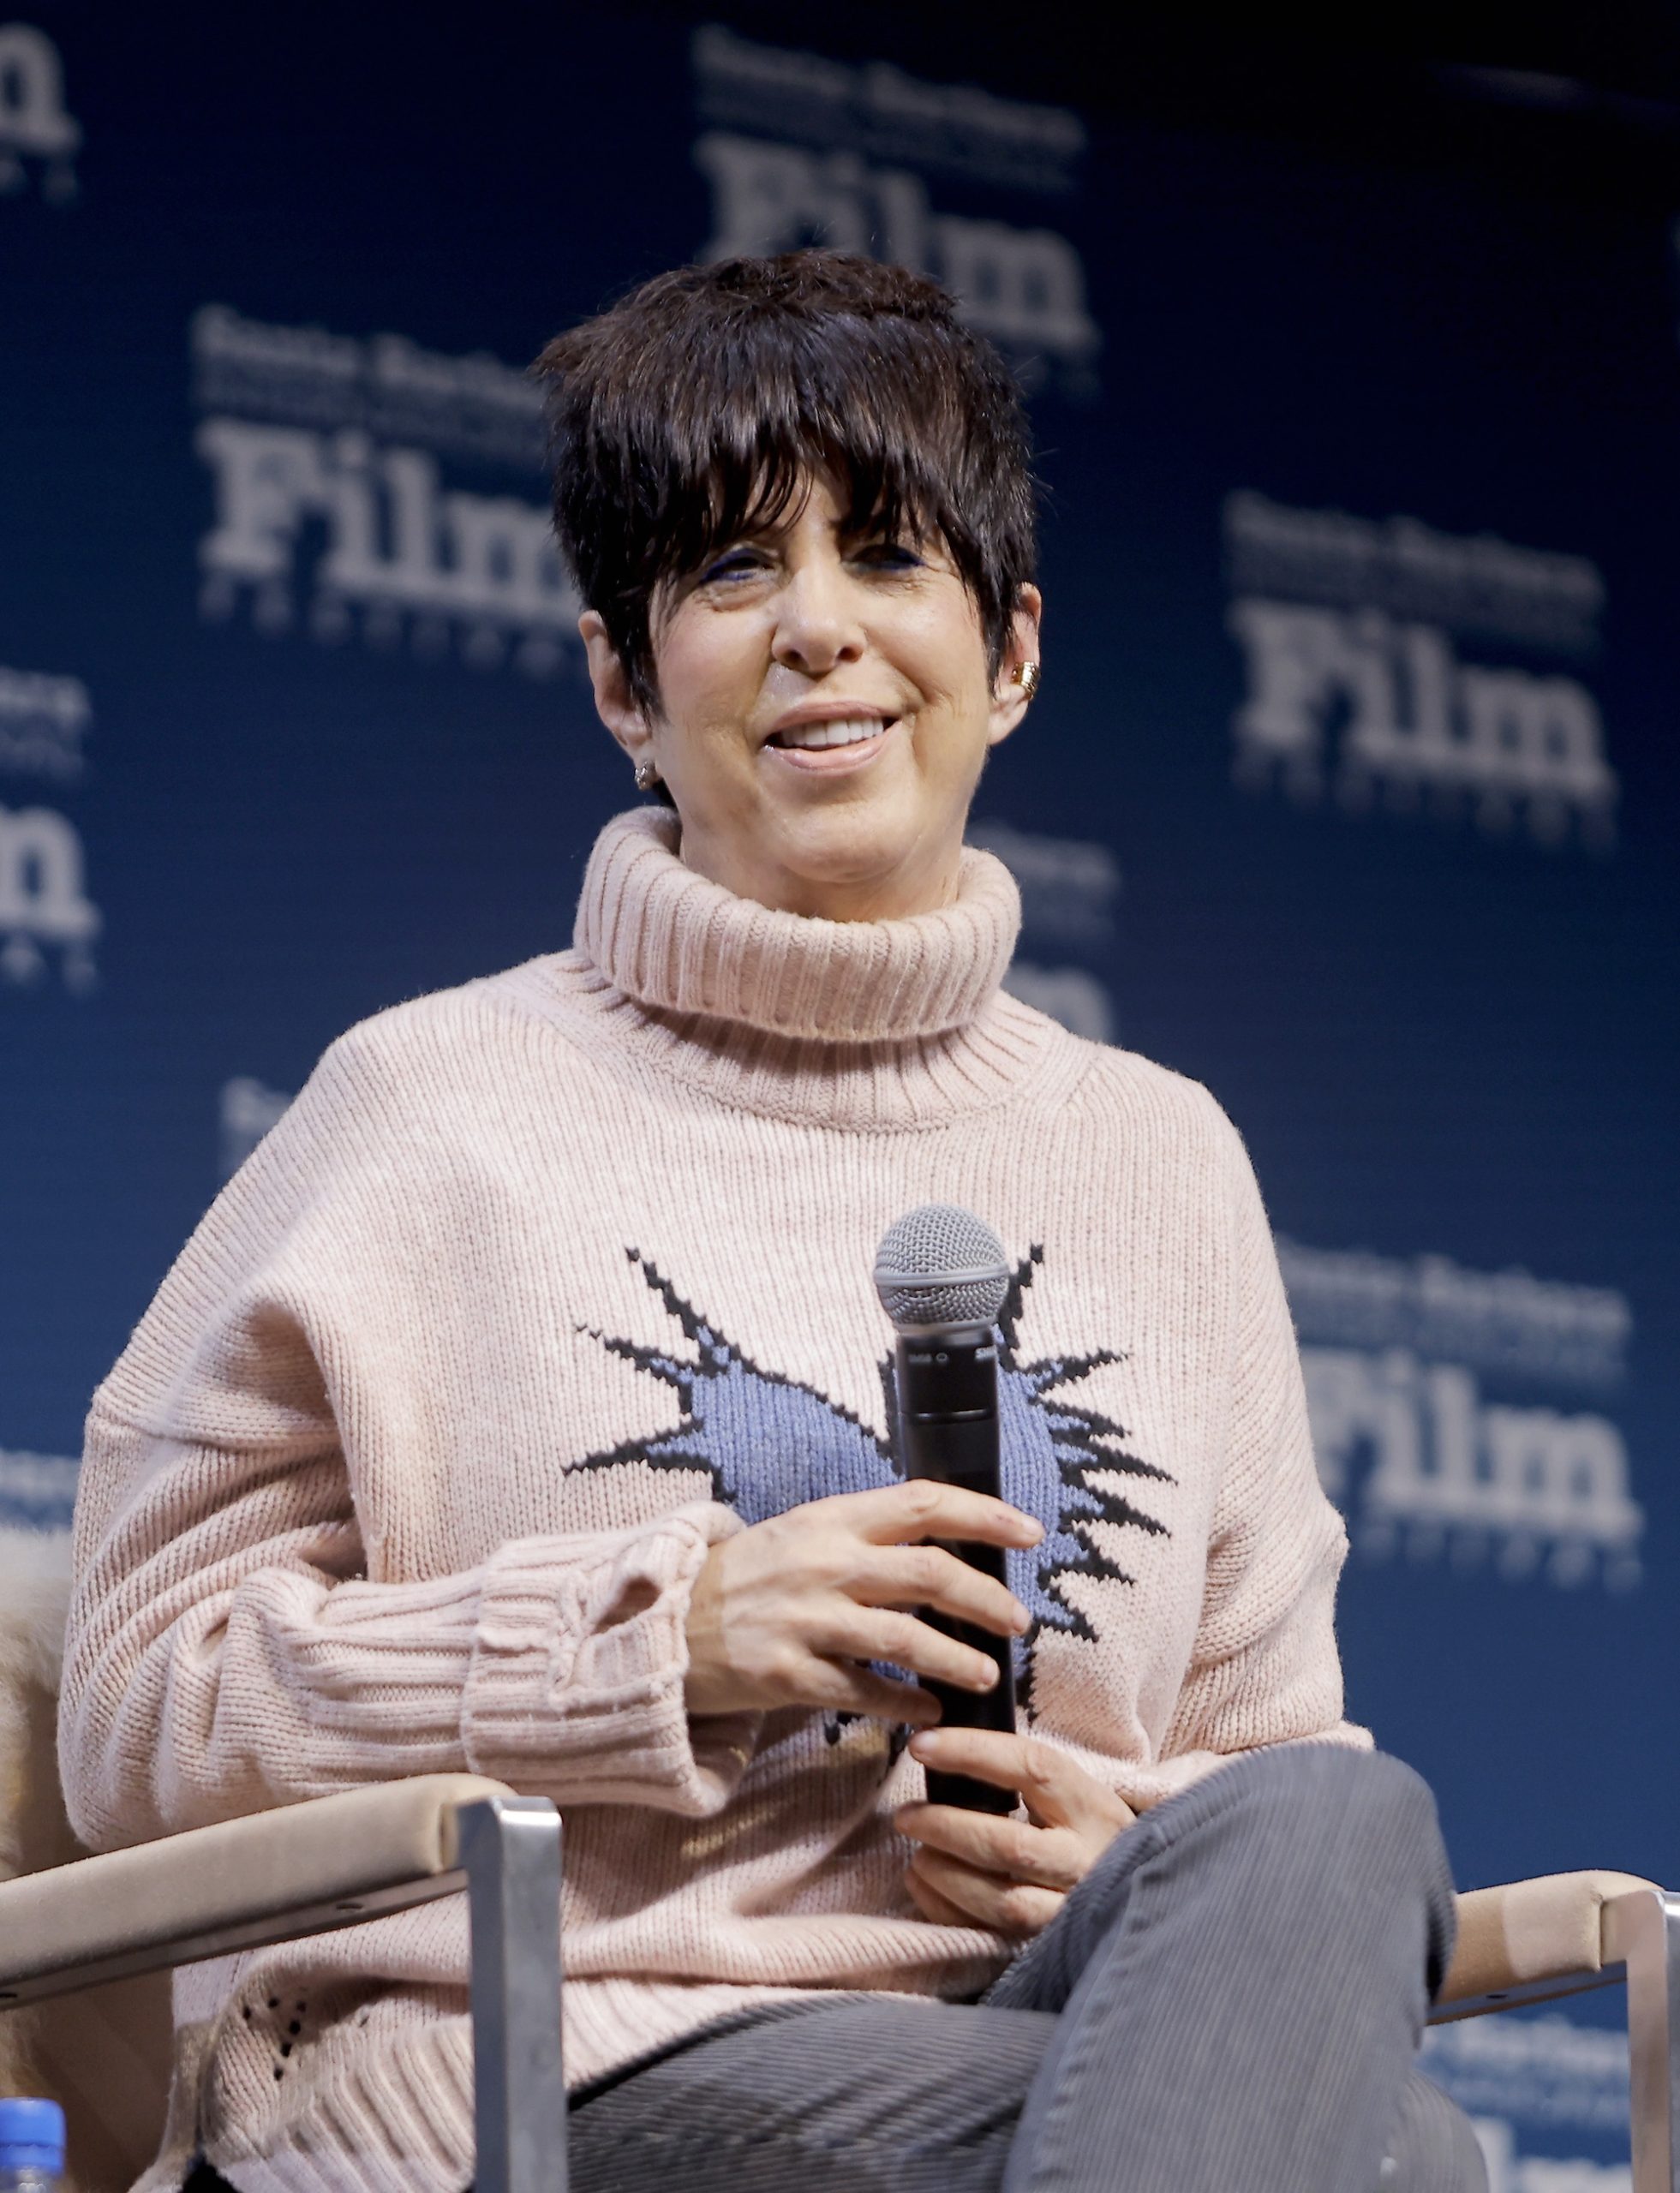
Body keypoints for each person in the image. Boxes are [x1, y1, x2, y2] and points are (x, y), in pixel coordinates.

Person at [59, 252, 1486, 2193]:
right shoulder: (426, 1110)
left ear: (1011, 654)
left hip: (1045, 2050)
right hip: (550, 2074)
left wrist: (1129, 1844)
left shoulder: (1163, 1158)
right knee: (1402, 2159)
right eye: (736, 572)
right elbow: (136, 1702)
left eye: (887, 556)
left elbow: (1259, 1763)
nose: (820, 626)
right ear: (624, 686)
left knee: (1337, 1826)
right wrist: (665, 1638)